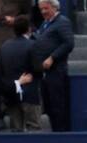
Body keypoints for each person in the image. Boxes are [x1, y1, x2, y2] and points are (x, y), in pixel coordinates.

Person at [31, 0, 73, 132]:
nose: (43, 12)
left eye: (46, 8)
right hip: (45, 73)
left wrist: (52, 57)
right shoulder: (45, 24)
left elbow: (68, 43)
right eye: (41, 9)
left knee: (58, 106)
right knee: (48, 107)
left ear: (54, 7)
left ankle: (62, 135)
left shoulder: (63, 22)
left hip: (57, 72)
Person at [0, 15, 43, 131]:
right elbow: (39, 69)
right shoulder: (33, 45)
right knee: (34, 128)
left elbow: (1, 70)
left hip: (11, 95)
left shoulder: (4, 47)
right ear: (28, 28)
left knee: (15, 132)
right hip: (30, 94)